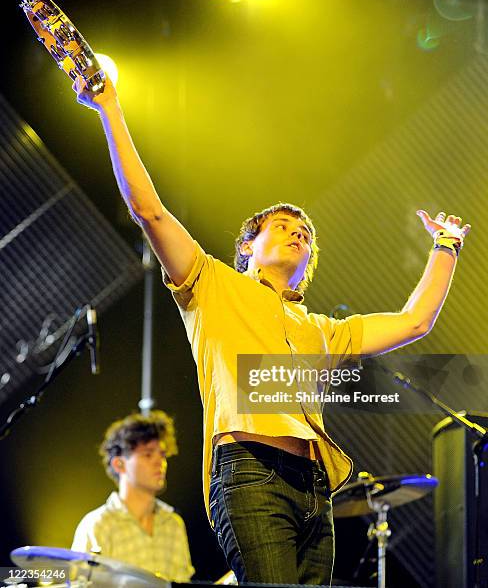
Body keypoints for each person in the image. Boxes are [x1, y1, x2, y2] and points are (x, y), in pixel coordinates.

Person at [72, 74, 470, 586]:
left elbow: (415, 321)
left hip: (316, 488)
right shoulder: (212, 284)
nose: (296, 231)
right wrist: (109, 108)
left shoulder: (324, 330)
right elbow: (148, 209)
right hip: (249, 472)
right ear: (247, 250)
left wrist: (446, 247)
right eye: (279, 225)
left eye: (303, 233)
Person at [71, 410, 195, 582]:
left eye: (162, 454)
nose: (160, 462)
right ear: (119, 464)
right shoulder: (98, 525)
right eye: (148, 454)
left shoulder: (174, 524)